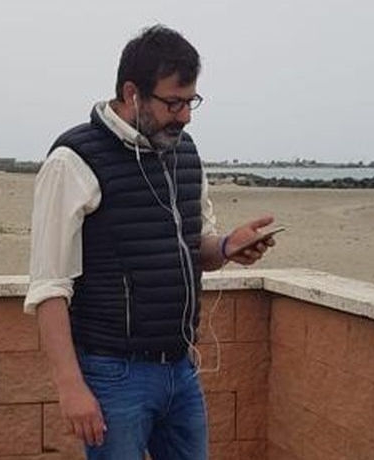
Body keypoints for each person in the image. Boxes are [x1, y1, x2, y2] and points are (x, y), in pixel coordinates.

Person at [24, 25, 275, 459]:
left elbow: (196, 249)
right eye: (173, 103)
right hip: (113, 375)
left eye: (191, 102)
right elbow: (49, 287)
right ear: (132, 93)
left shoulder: (185, 152)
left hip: (181, 368)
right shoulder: (73, 161)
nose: (185, 116)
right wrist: (70, 387)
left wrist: (227, 247)